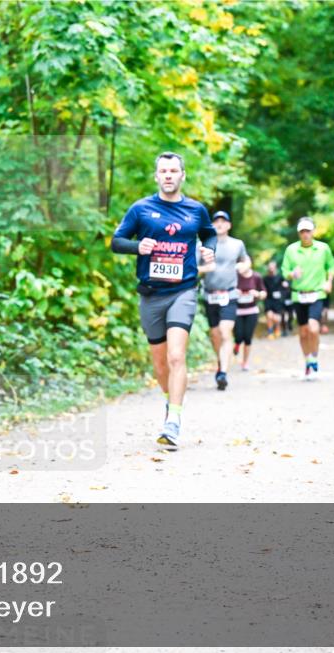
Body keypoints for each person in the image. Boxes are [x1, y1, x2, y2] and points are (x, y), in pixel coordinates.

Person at [111, 152, 217, 449]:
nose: (168, 175)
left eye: (173, 170)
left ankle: (174, 420)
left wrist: (210, 249)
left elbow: (209, 235)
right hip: (151, 294)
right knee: (160, 364)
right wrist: (137, 247)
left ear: (182, 175)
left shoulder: (196, 210)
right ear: (156, 176)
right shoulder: (141, 209)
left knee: (176, 356)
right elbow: (116, 242)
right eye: (163, 171)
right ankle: (171, 402)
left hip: (183, 290)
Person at [197, 211, 250, 390]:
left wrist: (244, 266)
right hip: (210, 294)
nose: (219, 224)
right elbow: (192, 267)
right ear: (212, 225)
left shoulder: (237, 244)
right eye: (216, 221)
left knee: (225, 332)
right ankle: (221, 362)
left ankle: (223, 373)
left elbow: (246, 261)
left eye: (223, 221)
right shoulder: (202, 245)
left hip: (229, 294)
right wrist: (205, 269)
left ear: (229, 225)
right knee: (215, 334)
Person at [280, 217, 334, 379]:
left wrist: (329, 282)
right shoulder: (291, 250)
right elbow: (284, 272)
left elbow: (331, 266)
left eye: (308, 231)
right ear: (299, 233)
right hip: (299, 294)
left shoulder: (323, 248)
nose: (305, 234)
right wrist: (292, 274)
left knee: (313, 328)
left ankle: (315, 357)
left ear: (313, 231)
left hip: (317, 293)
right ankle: (308, 361)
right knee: (303, 332)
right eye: (302, 231)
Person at [233, 263, 265, 371]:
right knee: (238, 336)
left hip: (252, 311)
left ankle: (245, 362)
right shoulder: (235, 276)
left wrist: (257, 294)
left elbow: (264, 293)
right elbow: (227, 290)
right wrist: (235, 292)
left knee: (247, 337)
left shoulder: (256, 276)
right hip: (237, 311)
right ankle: (237, 344)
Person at [262, 260, 285, 339]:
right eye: (270, 267)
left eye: (272, 267)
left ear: (276, 268)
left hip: (278, 301)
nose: (271, 268)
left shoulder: (280, 277)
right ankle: (270, 332)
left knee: (276, 318)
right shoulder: (265, 279)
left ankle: (277, 329)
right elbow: (263, 289)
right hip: (268, 299)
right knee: (269, 315)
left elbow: (285, 288)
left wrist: (282, 294)